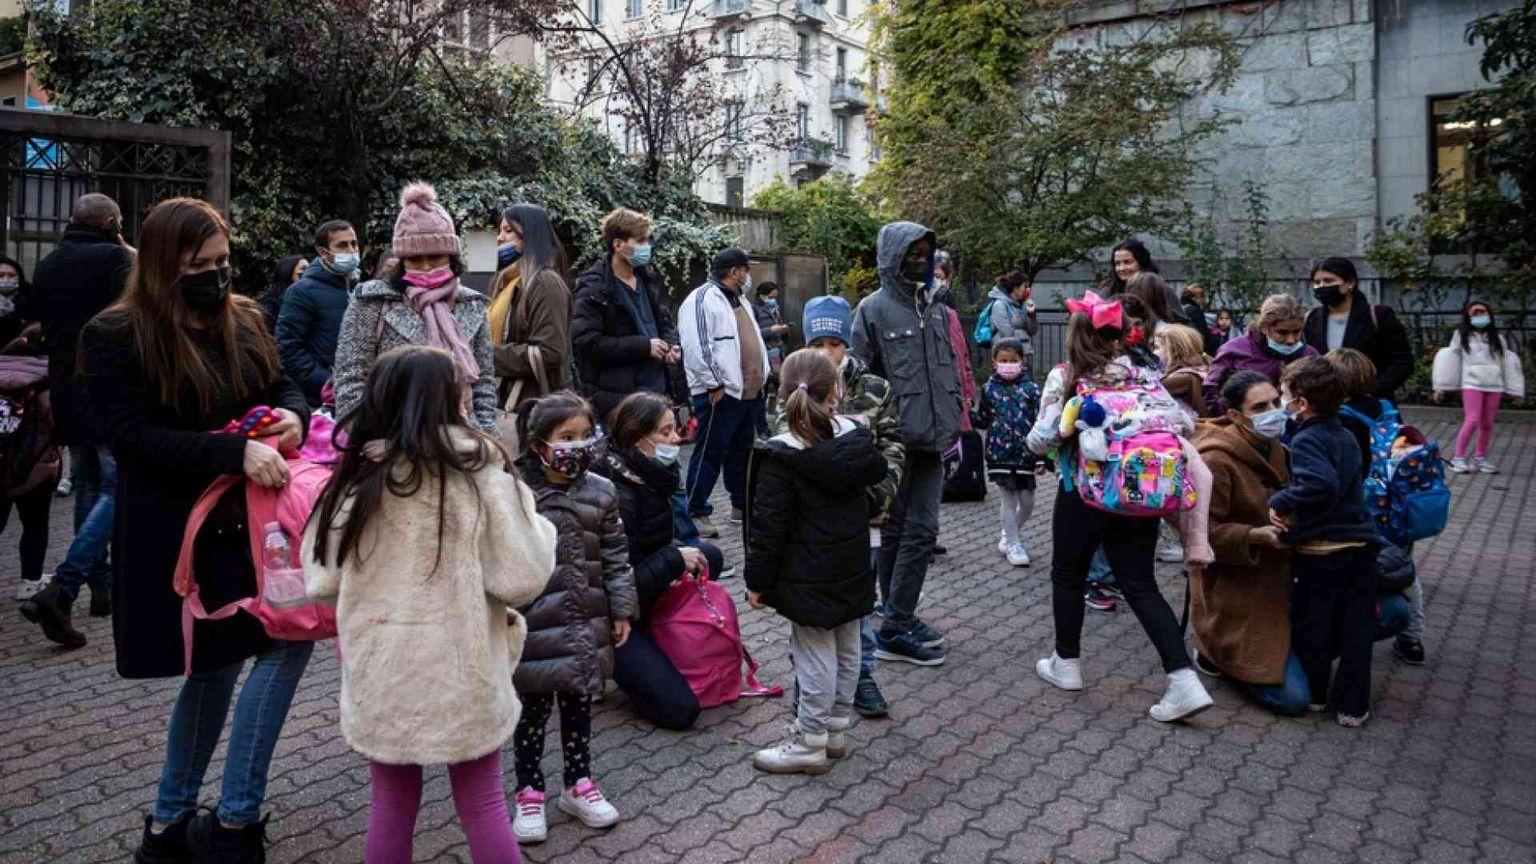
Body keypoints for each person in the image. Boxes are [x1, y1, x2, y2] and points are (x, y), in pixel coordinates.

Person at [70, 198, 312, 861]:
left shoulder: (246, 318)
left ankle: (203, 823)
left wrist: (293, 419)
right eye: (198, 266)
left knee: (281, 644)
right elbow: (131, 437)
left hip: (257, 523)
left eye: (223, 262)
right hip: (182, 531)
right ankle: (209, 826)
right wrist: (231, 453)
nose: (215, 276)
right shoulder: (116, 335)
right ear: (158, 267)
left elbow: (284, 386)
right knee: (217, 666)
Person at [302, 345, 555, 864]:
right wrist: (534, 518)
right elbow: (522, 575)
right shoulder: (479, 472)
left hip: (381, 668)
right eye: (462, 385)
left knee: (391, 802)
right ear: (446, 398)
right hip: (463, 669)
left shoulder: (356, 476)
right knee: (482, 801)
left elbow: (321, 579)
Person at [1027, 291, 1214, 722]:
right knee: (1140, 583)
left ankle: (1067, 663)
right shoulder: (1145, 376)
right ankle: (1182, 678)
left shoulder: (1066, 376)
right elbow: (1183, 422)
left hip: (1084, 494)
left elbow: (1038, 441)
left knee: (1068, 574)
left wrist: (1073, 423)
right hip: (1139, 493)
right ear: (1119, 339)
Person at [747, 350, 888, 775]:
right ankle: (834, 730)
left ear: (784, 393)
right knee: (848, 645)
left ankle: (809, 740)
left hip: (806, 575)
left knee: (814, 656)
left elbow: (768, 529)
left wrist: (758, 581)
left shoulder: (781, 456)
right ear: (838, 391)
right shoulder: (854, 442)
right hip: (852, 563)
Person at [511, 392, 637, 844]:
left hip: (585, 620)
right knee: (531, 713)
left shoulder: (601, 491)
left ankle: (578, 783)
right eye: (566, 438)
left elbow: (617, 555)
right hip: (534, 625)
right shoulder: (516, 492)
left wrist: (622, 607)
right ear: (538, 443)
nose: (577, 447)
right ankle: (529, 790)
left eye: (585, 436)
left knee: (578, 706)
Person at [850, 221, 961, 666]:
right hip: (894, 442)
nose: (921, 261)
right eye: (911, 254)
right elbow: (858, 377)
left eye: (925, 253)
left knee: (920, 529)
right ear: (892, 257)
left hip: (934, 439)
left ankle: (897, 616)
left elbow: (949, 368)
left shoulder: (935, 307)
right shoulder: (872, 310)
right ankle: (895, 622)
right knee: (904, 531)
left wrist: (958, 424)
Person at [791, 294, 905, 718]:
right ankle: (807, 684)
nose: (825, 355)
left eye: (834, 345)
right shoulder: (788, 386)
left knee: (859, 602)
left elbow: (892, 445)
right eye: (816, 345)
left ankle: (863, 675)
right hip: (812, 526)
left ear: (847, 345)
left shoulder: (875, 388)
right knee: (810, 606)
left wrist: (878, 495)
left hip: (863, 520)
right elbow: (775, 450)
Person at [594, 391, 726, 730]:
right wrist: (673, 559)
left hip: (640, 591)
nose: (677, 438)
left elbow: (652, 545)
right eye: (666, 432)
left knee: (708, 556)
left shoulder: (647, 473)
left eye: (675, 429)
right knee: (680, 710)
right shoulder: (617, 493)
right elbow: (615, 586)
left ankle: (662, 632)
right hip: (611, 616)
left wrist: (678, 557)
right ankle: (601, 663)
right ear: (638, 439)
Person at [28, 193, 133, 620]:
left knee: (87, 485)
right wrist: (130, 250)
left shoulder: (49, 263)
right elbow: (139, 309)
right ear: (111, 222)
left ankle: (101, 587)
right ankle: (66, 582)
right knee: (116, 486)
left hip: (66, 387)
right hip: (108, 386)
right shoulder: (115, 259)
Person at [332, 183, 497, 434]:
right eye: (416, 259)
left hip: (464, 441)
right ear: (401, 261)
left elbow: (484, 382)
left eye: (436, 257)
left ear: (452, 257)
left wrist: (487, 437)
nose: (427, 266)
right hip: (392, 440)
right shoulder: (373, 301)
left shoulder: (471, 304)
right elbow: (351, 380)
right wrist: (366, 441)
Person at [1270, 357, 1381, 727]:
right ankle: (1353, 705)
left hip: (1323, 551)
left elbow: (1320, 485)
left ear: (1301, 403)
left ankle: (1317, 693)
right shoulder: (1346, 434)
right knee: (1356, 630)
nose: (1281, 403)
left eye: (1284, 396)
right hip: (1361, 547)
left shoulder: (1306, 440)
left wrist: (1281, 501)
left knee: (1313, 626)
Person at [1190, 370, 1304, 713]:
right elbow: (1201, 535)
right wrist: (1254, 536)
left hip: (1285, 571)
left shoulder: (1277, 449)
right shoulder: (1215, 461)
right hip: (1236, 583)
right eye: (1260, 407)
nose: (1273, 412)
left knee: (1392, 613)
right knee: (1294, 700)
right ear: (1236, 416)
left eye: (1275, 402)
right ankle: (1214, 654)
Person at [1329, 347, 1428, 666]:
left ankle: (1365, 626)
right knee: (1404, 568)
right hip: (1398, 502)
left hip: (1367, 507)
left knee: (1374, 569)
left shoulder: (1342, 419)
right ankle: (1413, 638)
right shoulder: (1386, 407)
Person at [678, 247, 770, 538]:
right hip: (721, 393)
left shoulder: (739, 299)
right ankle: (695, 510)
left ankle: (740, 505)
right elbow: (698, 346)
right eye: (746, 269)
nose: (748, 276)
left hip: (748, 393)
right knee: (709, 453)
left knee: (741, 453)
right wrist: (714, 383)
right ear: (735, 272)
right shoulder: (702, 299)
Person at [571, 207, 683, 423]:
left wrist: (671, 346)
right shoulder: (594, 287)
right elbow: (587, 342)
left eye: (648, 240)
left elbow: (665, 323)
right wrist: (644, 346)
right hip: (619, 401)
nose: (647, 247)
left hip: (658, 394)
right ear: (618, 245)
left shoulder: (649, 281)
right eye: (640, 241)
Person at [0, 276, 60, 603]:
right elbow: (55, 421)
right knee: (35, 523)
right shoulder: (44, 378)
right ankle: (30, 580)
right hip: (33, 462)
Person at [490, 204, 573, 412]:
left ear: (531, 236)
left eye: (509, 231)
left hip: (535, 406)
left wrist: (487, 355)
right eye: (500, 231)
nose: (500, 238)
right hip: (509, 399)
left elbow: (550, 352)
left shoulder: (545, 283)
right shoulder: (507, 281)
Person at [1433, 299, 1526, 474]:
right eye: (1475, 313)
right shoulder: (1461, 336)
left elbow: (1507, 364)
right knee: (1472, 420)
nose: (1479, 316)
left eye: (1482, 312)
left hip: (1494, 385)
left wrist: (1516, 391)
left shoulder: (1497, 339)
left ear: (1489, 315)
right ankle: (1458, 458)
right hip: (1471, 384)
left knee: (1487, 424)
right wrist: (1441, 387)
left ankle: (1480, 458)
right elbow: (1451, 362)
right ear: (1468, 316)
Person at [1302, 257, 1413, 403]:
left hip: (1372, 404)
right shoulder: (1311, 319)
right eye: (1317, 282)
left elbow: (1402, 361)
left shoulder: (1378, 316)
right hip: (1327, 405)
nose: (1322, 286)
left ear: (1350, 283)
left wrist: (1372, 391)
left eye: (1329, 281)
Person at [276, 220, 361, 407]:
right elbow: (288, 349)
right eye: (342, 245)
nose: (351, 251)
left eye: (354, 244)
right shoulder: (302, 292)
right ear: (323, 253)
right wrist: (329, 384)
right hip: (319, 402)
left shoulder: (360, 288)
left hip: (356, 397)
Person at [972, 338, 1041, 567]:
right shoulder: (989, 389)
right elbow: (983, 419)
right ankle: (1013, 543)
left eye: (1013, 360)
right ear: (994, 362)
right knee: (1008, 498)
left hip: (1026, 453)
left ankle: (1009, 532)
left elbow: (1040, 421)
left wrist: (1042, 455)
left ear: (1022, 362)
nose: (1008, 365)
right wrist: (966, 412)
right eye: (1003, 361)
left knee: (1028, 500)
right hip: (999, 453)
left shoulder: (1031, 389)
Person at [1203, 293, 1319, 415]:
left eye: (1296, 332)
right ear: (1264, 327)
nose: (1291, 340)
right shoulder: (1235, 350)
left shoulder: (1309, 354)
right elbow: (1211, 390)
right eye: (1282, 333)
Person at [1108, 239, 1187, 324]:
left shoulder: (1159, 289)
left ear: (1141, 262)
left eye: (1127, 262)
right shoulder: (1108, 291)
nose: (1122, 268)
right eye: (1117, 264)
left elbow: (1182, 323)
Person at [1154, 324, 1211, 418]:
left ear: (1174, 351)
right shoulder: (1200, 367)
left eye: (1157, 347)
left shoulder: (1182, 377)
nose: (1154, 353)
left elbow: (1151, 391)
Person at [984, 270, 1039, 359]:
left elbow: (1032, 330)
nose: (1026, 289)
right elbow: (1007, 333)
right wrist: (1022, 335)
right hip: (1006, 356)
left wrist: (1031, 315)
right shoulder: (1000, 305)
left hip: (1022, 353)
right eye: (1024, 286)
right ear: (1016, 288)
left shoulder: (1021, 305)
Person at [258, 255, 307, 334]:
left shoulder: (309, 303)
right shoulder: (269, 306)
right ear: (288, 274)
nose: (307, 276)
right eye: (303, 271)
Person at [1181, 282, 1212, 348]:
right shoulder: (1195, 311)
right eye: (1203, 296)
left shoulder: (1180, 308)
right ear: (1196, 298)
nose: (1204, 300)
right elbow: (1203, 333)